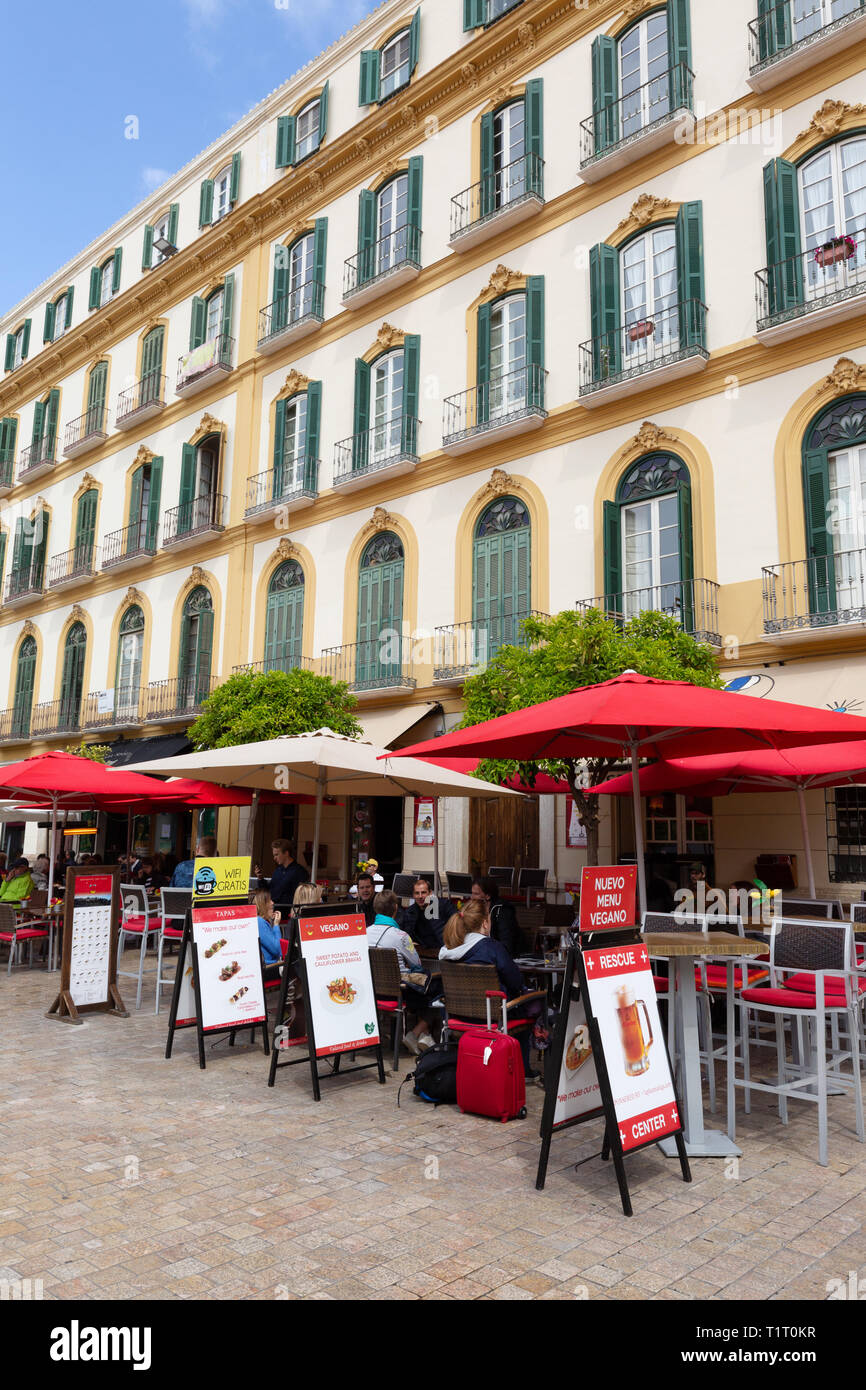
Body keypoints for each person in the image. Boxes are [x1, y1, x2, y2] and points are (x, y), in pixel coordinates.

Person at [439, 899, 537, 1076]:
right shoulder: (492, 948)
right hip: (493, 1018)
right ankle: (523, 1070)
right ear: (485, 923)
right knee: (532, 1005)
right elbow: (515, 981)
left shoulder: (449, 949)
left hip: (456, 1015)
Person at [368, 889, 436, 1055]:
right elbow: (416, 963)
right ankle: (417, 1033)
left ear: (376, 908)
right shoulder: (401, 936)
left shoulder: (364, 932)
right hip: (399, 992)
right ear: (396, 909)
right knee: (433, 988)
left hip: (372, 992)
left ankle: (422, 1035)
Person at [398, 877, 455, 950]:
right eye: (417, 893)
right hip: (423, 952)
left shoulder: (445, 905)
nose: (420, 896)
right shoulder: (410, 911)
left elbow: (448, 934)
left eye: (423, 892)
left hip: (444, 949)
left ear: (430, 893)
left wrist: (431, 910)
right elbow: (406, 935)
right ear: (413, 895)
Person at [470, 876, 520, 958]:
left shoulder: (502, 911)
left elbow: (506, 943)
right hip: (481, 955)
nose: (472, 897)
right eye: (472, 893)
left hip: (500, 957)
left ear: (488, 896)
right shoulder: (476, 911)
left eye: (476, 894)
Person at [264, 839, 309, 911]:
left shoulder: (299, 871)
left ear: (286, 853)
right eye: (274, 855)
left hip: (288, 912)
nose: (274, 858)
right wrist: (260, 879)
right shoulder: (278, 870)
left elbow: (300, 896)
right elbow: (270, 889)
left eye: (276, 855)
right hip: (274, 910)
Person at [254, 890, 285, 983]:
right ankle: (289, 996)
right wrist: (276, 925)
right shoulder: (259, 922)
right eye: (269, 901)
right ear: (263, 904)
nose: (272, 903)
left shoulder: (261, 921)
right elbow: (277, 950)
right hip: (269, 968)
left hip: (269, 966)